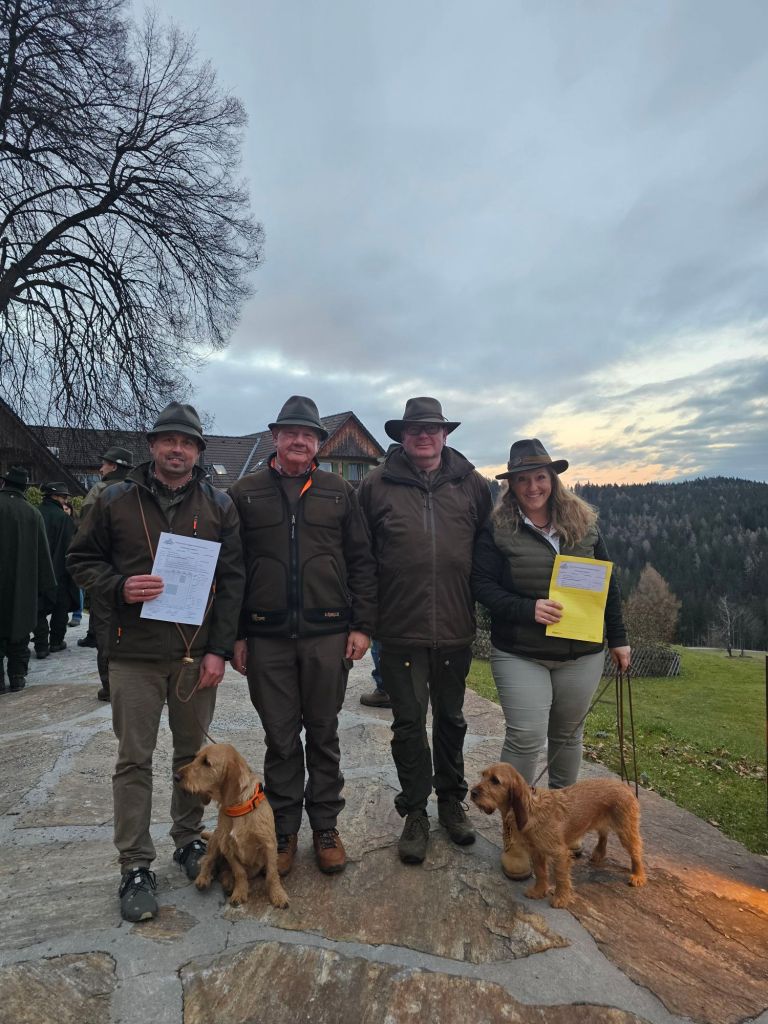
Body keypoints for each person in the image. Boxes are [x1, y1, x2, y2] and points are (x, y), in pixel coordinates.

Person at [67, 403, 244, 922]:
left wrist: (219, 650)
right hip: (133, 653)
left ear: (198, 452)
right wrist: (119, 586)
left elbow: (233, 581)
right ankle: (135, 864)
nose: (177, 450)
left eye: (187, 443)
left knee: (192, 757)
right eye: (169, 440)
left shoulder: (219, 505)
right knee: (133, 760)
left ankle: (189, 840)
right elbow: (80, 560)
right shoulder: (114, 499)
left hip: (195, 656)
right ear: (152, 446)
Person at [228, 396, 377, 877]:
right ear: (275, 437)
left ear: (318, 443)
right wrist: (237, 635)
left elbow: (361, 560)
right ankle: (284, 830)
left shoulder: (338, 491)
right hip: (266, 636)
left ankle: (326, 827)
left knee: (324, 733)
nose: (299, 441)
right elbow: (232, 568)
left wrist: (362, 625)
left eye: (308, 435)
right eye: (290, 433)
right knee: (281, 738)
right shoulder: (245, 492)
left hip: (327, 634)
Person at [471, 438, 630, 881]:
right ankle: (515, 835)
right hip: (521, 651)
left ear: (553, 479)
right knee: (526, 736)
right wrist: (528, 608)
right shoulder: (497, 529)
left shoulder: (584, 524)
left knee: (567, 736)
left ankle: (562, 826)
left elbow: (608, 585)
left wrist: (619, 639)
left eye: (540, 477)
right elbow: (481, 585)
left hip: (582, 652)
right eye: (522, 479)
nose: (533, 487)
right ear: (511, 484)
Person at [358, 397, 492, 865]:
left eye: (432, 428)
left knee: (451, 720)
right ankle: (414, 810)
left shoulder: (473, 485)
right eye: (415, 429)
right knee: (409, 725)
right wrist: (364, 623)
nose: (423, 436)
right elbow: (361, 560)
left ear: (445, 435)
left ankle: (451, 802)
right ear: (402, 435)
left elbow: (488, 555)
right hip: (399, 631)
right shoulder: (375, 486)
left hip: (455, 628)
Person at [76, 446, 135, 700]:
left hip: (107, 574)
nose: (101, 468)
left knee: (106, 632)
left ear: (113, 466)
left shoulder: (100, 491)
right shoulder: (140, 490)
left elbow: (85, 533)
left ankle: (110, 686)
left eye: (104, 464)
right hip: (136, 573)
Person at [0, 468, 57, 694]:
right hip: (22, 584)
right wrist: (45, 586)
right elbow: (43, 554)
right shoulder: (33, 514)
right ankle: (17, 676)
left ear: (4, 483)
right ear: (24, 488)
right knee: (19, 629)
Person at [32, 482, 80, 657]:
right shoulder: (64, 518)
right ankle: (56, 642)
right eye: (63, 497)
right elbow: (71, 547)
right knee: (61, 607)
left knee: (38, 609)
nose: (65, 500)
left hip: (36, 570)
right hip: (60, 571)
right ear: (55, 496)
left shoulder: (34, 513)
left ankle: (41, 646)